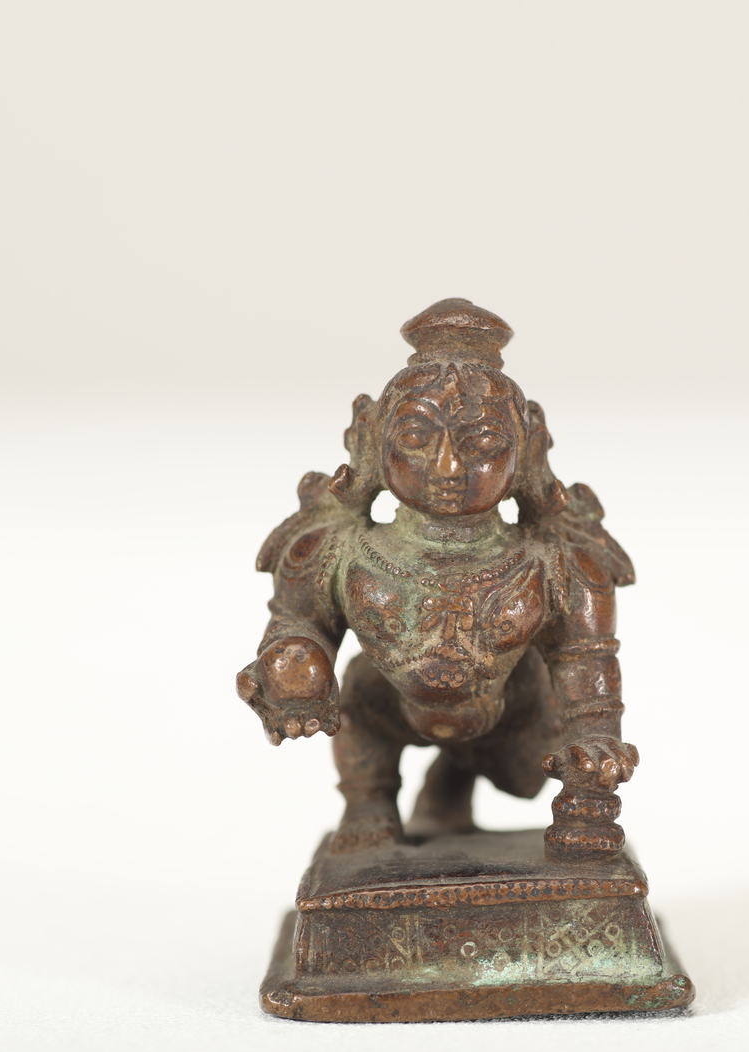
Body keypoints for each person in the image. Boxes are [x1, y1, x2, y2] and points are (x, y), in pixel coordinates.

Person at [236, 299, 639, 856]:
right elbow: (298, 622)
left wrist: (595, 742)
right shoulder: (337, 550)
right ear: (375, 441)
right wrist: (296, 663)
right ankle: (369, 803)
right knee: (361, 698)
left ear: (524, 450)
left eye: (482, 443)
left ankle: (452, 781)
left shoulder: (558, 561)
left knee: (532, 765)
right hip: (390, 706)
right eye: (415, 438)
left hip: (515, 712)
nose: (447, 468)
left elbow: (585, 664)